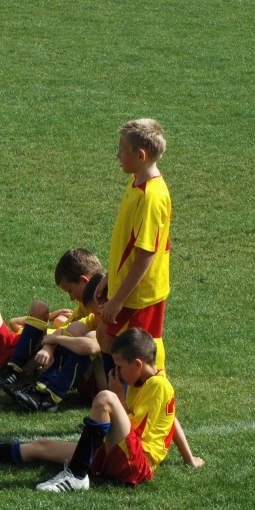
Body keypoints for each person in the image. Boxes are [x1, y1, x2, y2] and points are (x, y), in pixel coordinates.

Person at [0, 329, 205, 492]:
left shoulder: (157, 385)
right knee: (40, 446)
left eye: (120, 366)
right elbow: (172, 420)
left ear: (137, 364)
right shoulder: (143, 382)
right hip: (118, 455)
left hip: (136, 464)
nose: (117, 371)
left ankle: (76, 476)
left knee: (106, 398)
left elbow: (130, 430)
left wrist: (118, 397)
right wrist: (189, 458)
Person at [0, 248, 104, 388]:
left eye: (70, 291)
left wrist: (44, 351)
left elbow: (69, 339)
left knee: (39, 307)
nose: (71, 298)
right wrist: (50, 318)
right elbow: (15, 323)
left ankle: (14, 369)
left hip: (33, 352)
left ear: (84, 281)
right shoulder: (83, 307)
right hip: (15, 343)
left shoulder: (97, 311)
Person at [96, 119, 172, 374]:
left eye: (121, 150)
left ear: (141, 155)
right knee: (111, 338)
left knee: (134, 351)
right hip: (129, 285)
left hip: (139, 293)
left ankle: (140, 394)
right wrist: (110, 276)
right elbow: (129, 243)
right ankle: (121, 391)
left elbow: (145, 254)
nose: (117, 155)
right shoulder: (136, 181)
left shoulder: (151, 197)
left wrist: (118, 299)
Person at [6, 273, 107, 413]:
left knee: (89, 339)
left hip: (109, 391)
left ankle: (52, 398)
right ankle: (41, 388)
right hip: (91, 379)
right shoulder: (96, 317)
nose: (96, 317)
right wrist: (48, 347)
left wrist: (56, 340)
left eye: (98, 313)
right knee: (76, 327)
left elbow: (91, 347)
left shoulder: (123, 323)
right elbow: (61, 330)